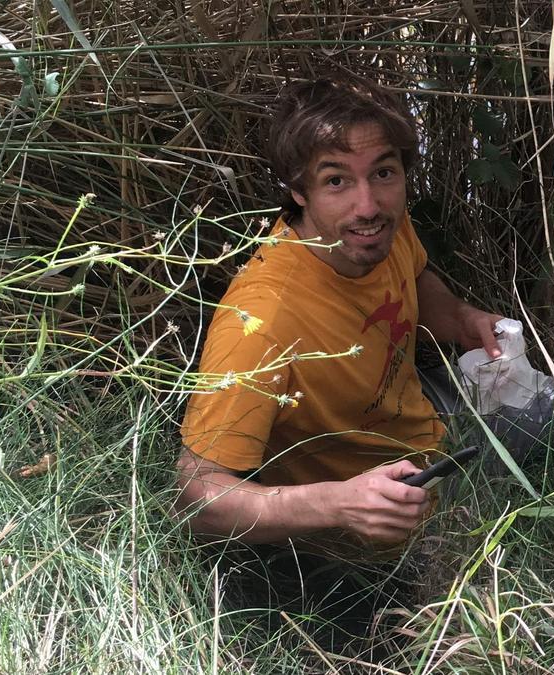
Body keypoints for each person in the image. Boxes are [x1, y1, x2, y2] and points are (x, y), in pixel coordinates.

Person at [174, 75, 502, 652]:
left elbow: (417, 282)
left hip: (435, 449)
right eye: (335, 181)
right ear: (298, 191)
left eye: (384, 172)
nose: (368, 204)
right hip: (350, 548)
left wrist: (461, 319)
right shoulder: (262, 320)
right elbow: (197, 500)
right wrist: (338, 503)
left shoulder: (379, 230)